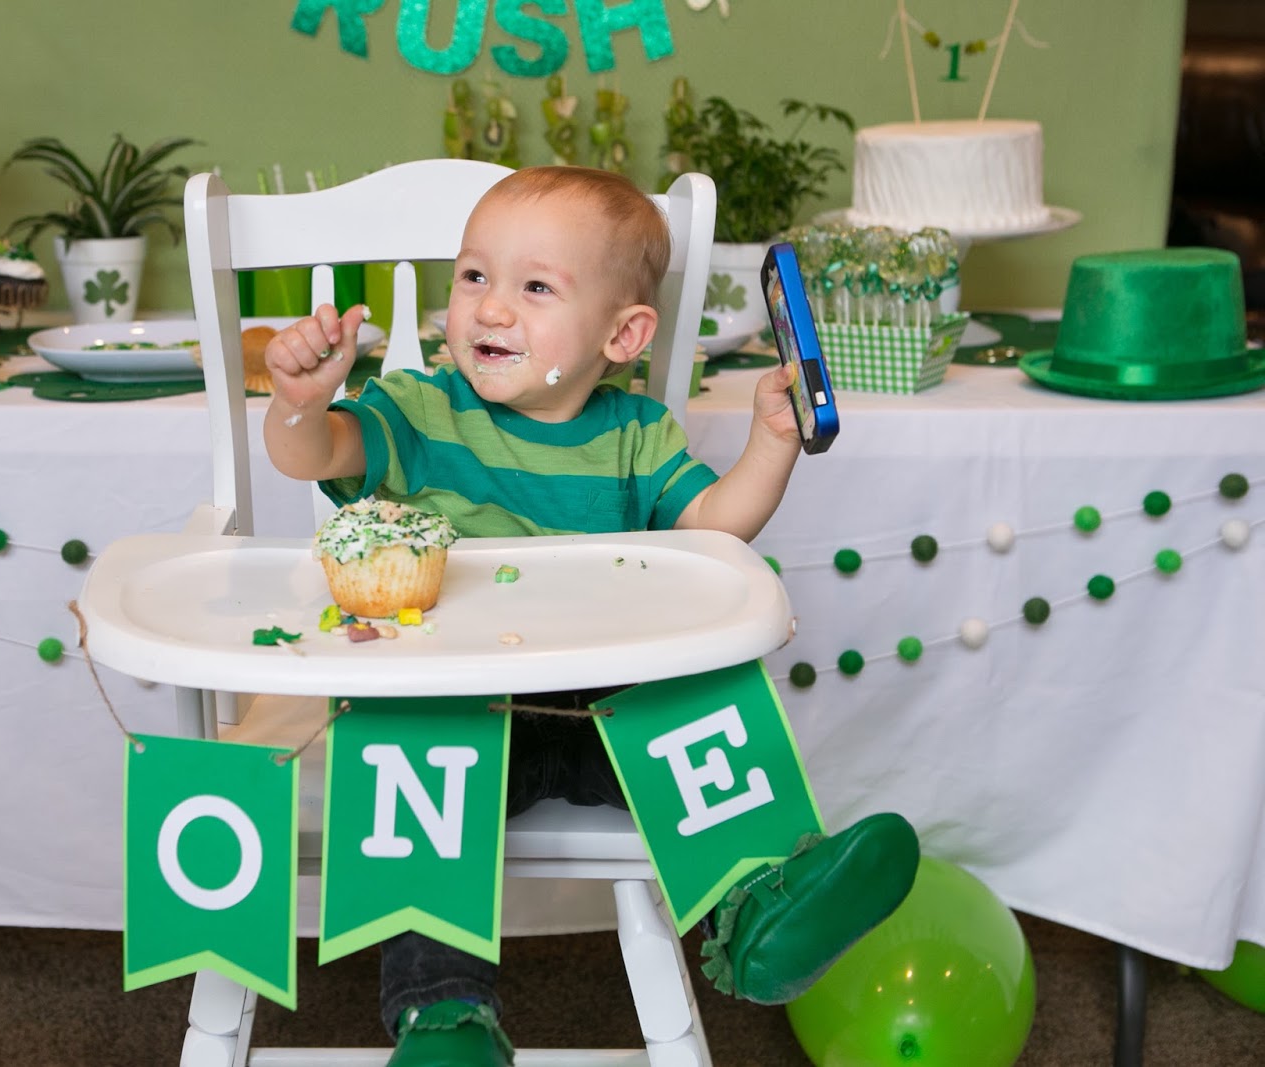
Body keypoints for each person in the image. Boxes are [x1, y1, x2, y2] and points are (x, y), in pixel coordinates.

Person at [262, 165, 918, 1067]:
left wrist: (772, 442)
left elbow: (712, 528)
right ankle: (445, 1020)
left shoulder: (636, 436)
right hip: (456, 709)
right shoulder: (418, 409)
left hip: (603, 708)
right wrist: (300, 403)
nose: (491, 307)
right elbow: (316, 454)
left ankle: (762, 903)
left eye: (535, 287)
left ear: (623, 334)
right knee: (410, 775)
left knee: (698, 704)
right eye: (474, 276)